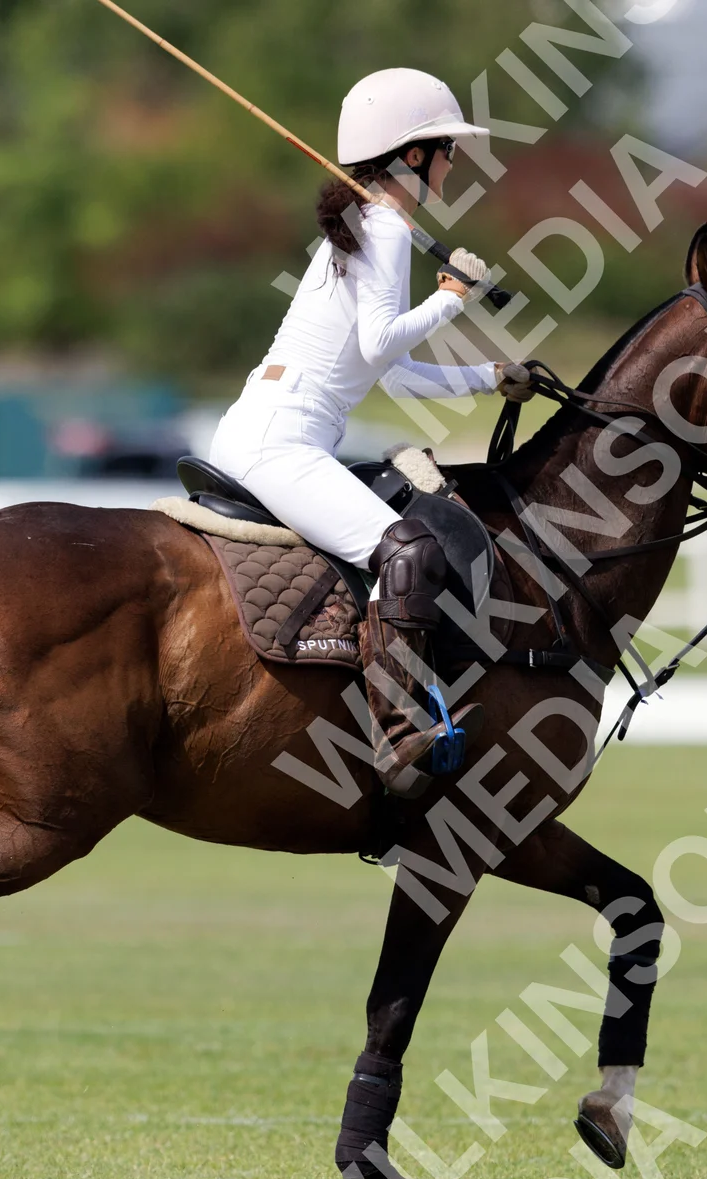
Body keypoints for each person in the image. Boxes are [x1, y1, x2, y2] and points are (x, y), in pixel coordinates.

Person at [208, 68, 536, 797]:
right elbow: (383, 339)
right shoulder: (383, 227)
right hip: (281, 443)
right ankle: (397, 732)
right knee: (409, 550)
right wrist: (453, 298)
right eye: (447, 149)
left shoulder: (367, 225)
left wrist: (490, 375)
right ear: (414, 156)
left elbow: (396, 374)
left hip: (263, 430)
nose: (452, 163)